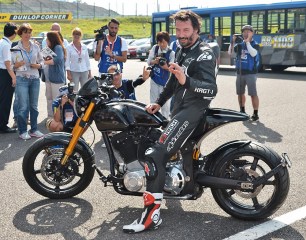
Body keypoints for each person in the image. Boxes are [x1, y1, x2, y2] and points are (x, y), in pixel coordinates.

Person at [123, 10, 217, 233]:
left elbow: (211, 89)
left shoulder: (204, 53)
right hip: (179, 109)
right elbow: (174, 82)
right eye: (178, 30)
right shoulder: (182, 49)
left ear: (196, 29)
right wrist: (159, 101)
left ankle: (151, 217)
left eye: (186, 30)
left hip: (193, 110)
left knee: (155, 155)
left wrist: (187, 80)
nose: (182, 34)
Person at [13, 23, 45, 140]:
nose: (28, 34)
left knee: (34, 106)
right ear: (20, 34)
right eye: (25, 32)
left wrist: (38, 65)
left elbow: (42, 61)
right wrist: (16, 65)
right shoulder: (16, 48)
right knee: (23, 107)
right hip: (21, 79)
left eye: (29, 32)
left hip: (35, 79)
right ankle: (22, 131)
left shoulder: (36, 47)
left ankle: (34, 129)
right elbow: (12, 66)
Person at [228, 25, 260, 121]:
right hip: (240, 73)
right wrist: (232, 41)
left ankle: (255, 113)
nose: (245, 33)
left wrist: (247, 43)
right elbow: (230, 52)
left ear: (252, 33)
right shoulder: (240, 45)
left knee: (253, 94)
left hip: (251, 73)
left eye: (248, 32)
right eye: (244, 32)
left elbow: (253, 53)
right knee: (240, 93)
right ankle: (242, 111)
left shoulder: (255, 44)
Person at [147, 31, 175, 119]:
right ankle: (153, 123)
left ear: (167, 41)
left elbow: (172, 68)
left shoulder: (171, 53)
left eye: (163, 42)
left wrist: (165, 67)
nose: (161, 44)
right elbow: (148, 62)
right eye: (159, 42)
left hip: (165, 83)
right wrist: (155, 61)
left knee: (165, 106)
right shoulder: (155, 48)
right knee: (153, 103)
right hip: (155, 80)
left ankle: (165, 125)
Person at [0, 22, 18, 134]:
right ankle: (3, 125)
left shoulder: (2, 42)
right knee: (6, 100)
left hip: (2, 73)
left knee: (2, 99)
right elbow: (7, 63)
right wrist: (13, 77)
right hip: (5, 73)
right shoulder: (6, 45)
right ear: (14, 33)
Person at [44, 31, 67, 118]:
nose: (46, 40)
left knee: (56, 100)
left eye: (47, 38)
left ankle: (57, 118)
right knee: (49, 99)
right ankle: (50, 117)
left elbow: (57, 60)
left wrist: (44, 62)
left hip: (57, 79)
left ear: (51, 39)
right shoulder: (51, 48)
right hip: (49, 78)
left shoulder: (58, 47)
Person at [66, 27, 91, 91]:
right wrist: (68, 73)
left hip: (84, 70)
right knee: (74, 90)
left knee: (85, 89)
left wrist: (89, 72)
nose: (77, 36)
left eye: (78, 34)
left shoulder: (84, 46)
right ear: (72, 35)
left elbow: (87, 60)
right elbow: (67, 61)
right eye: (75, 34)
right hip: (74, 70)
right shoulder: (69, 47)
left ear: (81, 36)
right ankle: (74, 101)